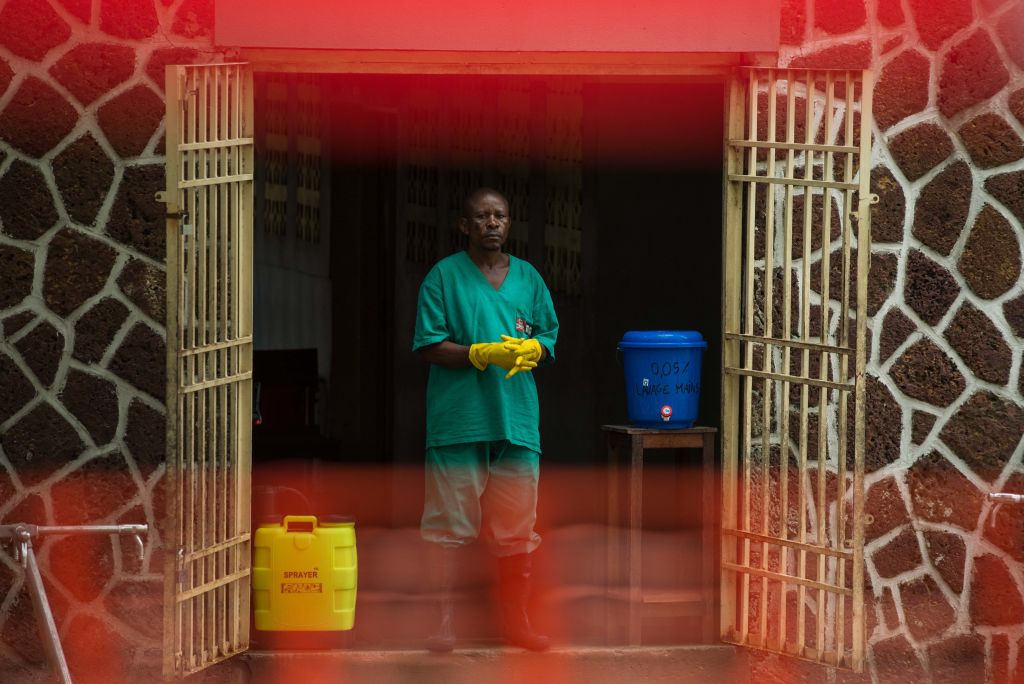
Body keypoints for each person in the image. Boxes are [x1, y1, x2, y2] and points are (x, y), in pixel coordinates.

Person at [412, 188, 559, 652]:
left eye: (500, 216)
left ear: (509, 224)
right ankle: (442, 624)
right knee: (447, 527)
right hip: (459, 422)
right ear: (465, 226)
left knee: (518, 529)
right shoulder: (443, 277)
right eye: (482, 216)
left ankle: (517, 624)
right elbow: (428, 344)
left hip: (515, 421)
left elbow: (548, 336)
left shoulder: (529, 278)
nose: (492, 223)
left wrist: (535, 347)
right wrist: (478, 353)